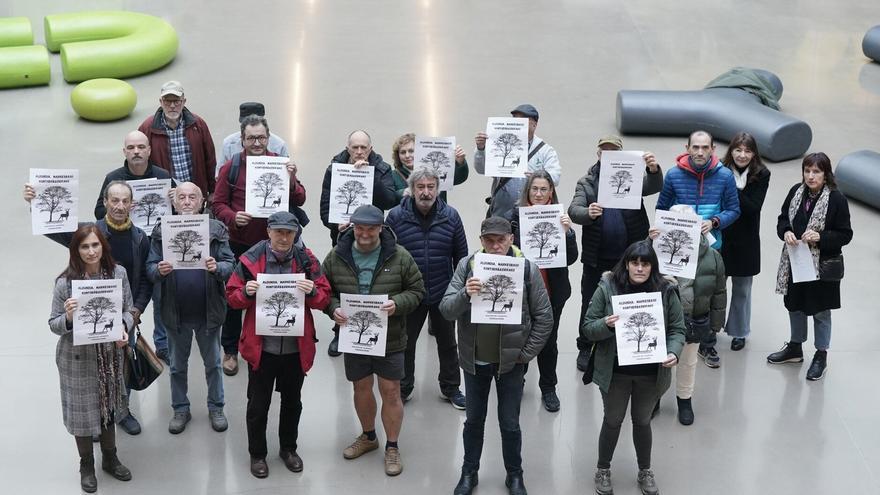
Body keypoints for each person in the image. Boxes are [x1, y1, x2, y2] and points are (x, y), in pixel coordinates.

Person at [24, 180, 151, 435]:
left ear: (132, 204)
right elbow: (56, 229)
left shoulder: (140, 238)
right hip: (87, 319)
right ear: (104, 202)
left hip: (125, 316)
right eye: (114, 200)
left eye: (125, 201)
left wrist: (134, 313)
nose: (119, 206)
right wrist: (35, 204)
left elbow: (144, 281)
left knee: (121, 366)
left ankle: (121, 411)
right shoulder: (90, 232)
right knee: (93, 370)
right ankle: (96, 419)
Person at [440, 216, 553, 495]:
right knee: (474, 421)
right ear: (481, 241)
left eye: (500, 239)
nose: (495, 245)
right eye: (489, 240)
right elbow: (446, 310)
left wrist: (525, 354)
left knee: (510, 424)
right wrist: (465, 294)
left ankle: (514, 474)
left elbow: (545, 317)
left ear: (511, 239)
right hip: (474, 361)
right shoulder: (468, 266)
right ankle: (469, 472)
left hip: (511, 364)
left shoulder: (528, 269)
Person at [225, 211, 331, 478]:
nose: (284, 238)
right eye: (279, 232)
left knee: (292, 402)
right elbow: (231, 298)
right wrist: (246, 293)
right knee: (257, 405)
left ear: (296, 235)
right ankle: (257, 454)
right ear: (268, 232)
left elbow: (324, 298)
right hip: (262, 349)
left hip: (296, 349)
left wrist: (314, 292)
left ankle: (288, 449)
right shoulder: (250, 260)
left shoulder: (307, 260)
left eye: (289, 233)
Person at [322, 205, 425, 477]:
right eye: (359, 228)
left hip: (390, 337)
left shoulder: (400, 257)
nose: (364, 234)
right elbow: (324, 290)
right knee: (361, 387)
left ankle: (392, 446)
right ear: (352, 227)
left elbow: (417, 290)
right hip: (354, 337)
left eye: (370, 228)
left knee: (391, 390)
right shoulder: (336, 256)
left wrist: (397, 303)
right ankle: (369, 437)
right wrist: (333, 309)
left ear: (381, 228)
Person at [581, 240, 685, 495]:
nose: (639, 268)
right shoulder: (607, 287)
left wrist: (674, 351)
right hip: (615, 372)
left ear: (652, 266)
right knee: (613, 420)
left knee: (641, 421)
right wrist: (606, 324)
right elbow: (587, 327)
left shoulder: (666, 290)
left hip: (651, 373)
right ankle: (603, 469)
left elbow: (677, 329)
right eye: (634, 263)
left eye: (645, 263)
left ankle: (645, 470)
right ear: (626, 264)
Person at [213, 114, 305, 376]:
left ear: (268, 138)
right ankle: (230, 350)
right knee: (235, 297)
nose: (256, 142)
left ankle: (270, 344)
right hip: (240, 244)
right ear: (242, 139)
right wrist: (233, 217)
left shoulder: (280, 164)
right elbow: (217, 204)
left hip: (276, 246)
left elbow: (299, 198)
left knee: (276, 293)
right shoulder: (231, 167)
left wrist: (291, 178)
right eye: (251, 137)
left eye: (261, 137)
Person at [49, 225, 134, 493]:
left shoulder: (118, 274)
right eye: (84, 247)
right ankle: (86, 464)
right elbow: (54, 324)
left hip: (109, 357)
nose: (91, 251)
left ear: (103, 247)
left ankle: (110, 458)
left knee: (108, 409)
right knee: (82, 414)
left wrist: (124, 327)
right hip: (77, 360)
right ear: (76, 251)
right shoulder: (65, 283)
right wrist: (70, 318)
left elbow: (129, 310)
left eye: (95, 245)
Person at [146, 182, 235, 434]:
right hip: (176, 313)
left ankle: (216, 407)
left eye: (192, 197)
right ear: (174, 203)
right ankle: (180, 409)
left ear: (201, 202)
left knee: (214, 365)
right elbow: (149, 268)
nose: (186, 201)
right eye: (182, 197)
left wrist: (217, 268)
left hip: (209, 311)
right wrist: (158, 270)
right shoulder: (162, 230)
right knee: (177, 366)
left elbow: (230, 263)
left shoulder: (216, 228)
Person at [569, 135, 662, 371]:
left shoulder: (630, 173)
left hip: (629, 257)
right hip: (596, 257)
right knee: (590, 302)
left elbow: (654, 186)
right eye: (604, 151)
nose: (608, 154)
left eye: (613, 151)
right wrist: (587, 212)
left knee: (631, 299)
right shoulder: (587, 182)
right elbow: (574, 210)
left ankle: (629, 344)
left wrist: (652, 169)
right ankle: (585, 345)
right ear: (598, 154)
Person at [91, 130, 176, 378]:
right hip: (129, 242)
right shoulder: (113, 178)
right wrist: (118, 208)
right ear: (125, 151)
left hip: (157, 245)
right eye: (131, 147)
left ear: (149, 150)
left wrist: (174, 197)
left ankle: (162, 344)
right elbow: (98, 211)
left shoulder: (163, 176)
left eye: (141, 147)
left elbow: (180, 211)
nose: (136, 151)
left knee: (159, 296)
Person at [384, 166, 468, 408]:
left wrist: (458, 292)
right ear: (411, 190)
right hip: (410, 294)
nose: (426, 192)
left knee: (448, 343)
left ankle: (451, 387)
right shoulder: (396, 217)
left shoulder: (451, 216)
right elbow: (388, 256)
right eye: (420, 187)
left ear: (437, 189)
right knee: (405, 343)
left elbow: (461, 257)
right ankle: (404, 387)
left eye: (431, 187)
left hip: (442, 290)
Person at [656, 130, 739, 369]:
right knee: (678, 292)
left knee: (707, 293)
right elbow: (662, 209)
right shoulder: (673, 175)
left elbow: (734, 210)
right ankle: (674, 337)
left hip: (711, 248)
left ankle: (708, 342)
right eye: (696, 147)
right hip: (677, 247)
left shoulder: (725, 176)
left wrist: (713, 222)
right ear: (687, 148)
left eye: (705, 147)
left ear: (713, 149)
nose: (700, 152)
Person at [768, 152, 852, 381]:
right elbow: (782, 219)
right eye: (807, 171)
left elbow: (845, 235)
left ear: (826, 174)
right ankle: (795, 347)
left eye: (816, 171)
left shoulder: (837, 199)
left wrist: (821, 237)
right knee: (794, 305)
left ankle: (821, 354)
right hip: (796, 262)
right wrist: (785, 231)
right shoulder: (795, 191)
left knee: (821, 311)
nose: (811, 176)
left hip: (822, 267)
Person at [319, 130, 400, 356]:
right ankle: (340, 331)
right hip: (343, 236)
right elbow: (325, 206)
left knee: (372, 281)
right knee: (343, 283)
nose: (359, 151)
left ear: (370, 149)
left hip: (373, 237)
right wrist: (335, 226)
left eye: (364, 147)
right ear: (348, 149)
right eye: (355, 147)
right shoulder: (334, 169)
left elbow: (389, 200)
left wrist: (370, 176)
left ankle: (372, 328)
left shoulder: (382, 169)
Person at [649, 205, 726, 425]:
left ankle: (685, 400)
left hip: (694, 319)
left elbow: (720, 291)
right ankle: (653, 398)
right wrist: (648, 243)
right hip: (660, 320)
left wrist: (716, 323)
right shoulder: (653, 250)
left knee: (688, 362)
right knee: (658, 362)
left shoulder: (712, 257)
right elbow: (634, 270)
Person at [510, 170, 577, 412]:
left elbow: (571, 258)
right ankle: (517, 381)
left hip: (553, 292)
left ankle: (549, 387)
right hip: (523, 292)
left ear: (551, 191)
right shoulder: (514, 216)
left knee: (549, 341)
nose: (538, 194)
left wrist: (568, 234)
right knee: (521, 337)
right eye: (534, 189)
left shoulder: (559, 217)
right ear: (527, 191)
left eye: (544, 189)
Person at [719, 132, 770, 351]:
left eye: (747, 150)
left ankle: (739, 332)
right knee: (716, 288)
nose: (742, 155)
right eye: (738, 150)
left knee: (742, 289)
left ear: (754, 153)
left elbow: (752, 208)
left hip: (746, 241)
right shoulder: (719, 169)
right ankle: (710, 330)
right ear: (731, 151)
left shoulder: (762, 174)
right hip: (720, 237)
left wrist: (730, 187)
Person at [473, 104, 561, 221]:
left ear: (534, 124)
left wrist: (537, 176)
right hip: (502, 211)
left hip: (532, 213)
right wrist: (481, 149)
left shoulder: (545, 150)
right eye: (515, 120)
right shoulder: (501, 143)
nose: (518, 123)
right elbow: (481, 169)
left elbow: (555, 177)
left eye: (523, 120)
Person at [138, 80, 217, 200]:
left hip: (195, 195)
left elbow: (210, 160)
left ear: (184, 101)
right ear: (161, 102)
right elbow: (140, 164)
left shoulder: (198, 125)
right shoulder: (147, 128)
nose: (172, 106)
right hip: (165, 197)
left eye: (176, 101)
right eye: (167, 101)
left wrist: (213, 191)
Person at [389, 132, 469, 203]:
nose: (407, 155)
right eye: (403, 152)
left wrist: (460, 162)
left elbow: (459, 178)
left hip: (438, 217)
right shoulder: (393, 175)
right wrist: (403, 192)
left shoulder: (435, 169)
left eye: (411, 151)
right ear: (397, 155)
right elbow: (388, 200)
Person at [218, 102, 289, 169]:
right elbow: (220, 172)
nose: (257, 143)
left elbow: (285, 175)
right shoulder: (228, 143)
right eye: (246, 123)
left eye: (261, 138)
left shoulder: (279, 145)